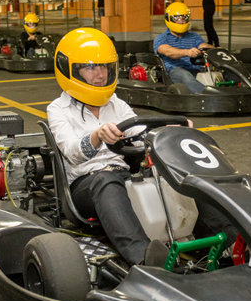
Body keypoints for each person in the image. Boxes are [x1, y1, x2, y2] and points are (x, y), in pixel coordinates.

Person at [47, 27, 171, 267]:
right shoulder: (58, 109)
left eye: (104, 67)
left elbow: (140, 132)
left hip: (123, 175)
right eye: (90, 67)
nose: (100, 74)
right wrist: (96, 136)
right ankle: (145, 260)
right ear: (69, 69)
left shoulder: (116, 103)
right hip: (85, 184)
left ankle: (231, 240)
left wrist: (170, 131)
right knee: (106, 180)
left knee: (173, 174)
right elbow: (71, 152)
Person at [153, 2, 214, 93]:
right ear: (169, 19)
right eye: (177, 18)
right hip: (174, 71)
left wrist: (216, 50)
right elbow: (168, 51)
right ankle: (209, 96)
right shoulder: (161, 38)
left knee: (217, 74)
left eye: (184, 18)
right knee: (186, 76)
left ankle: (229, 91)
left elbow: (203, 46)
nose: (182, 21)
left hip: (196, 68)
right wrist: (187, 52)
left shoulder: (194, 36)